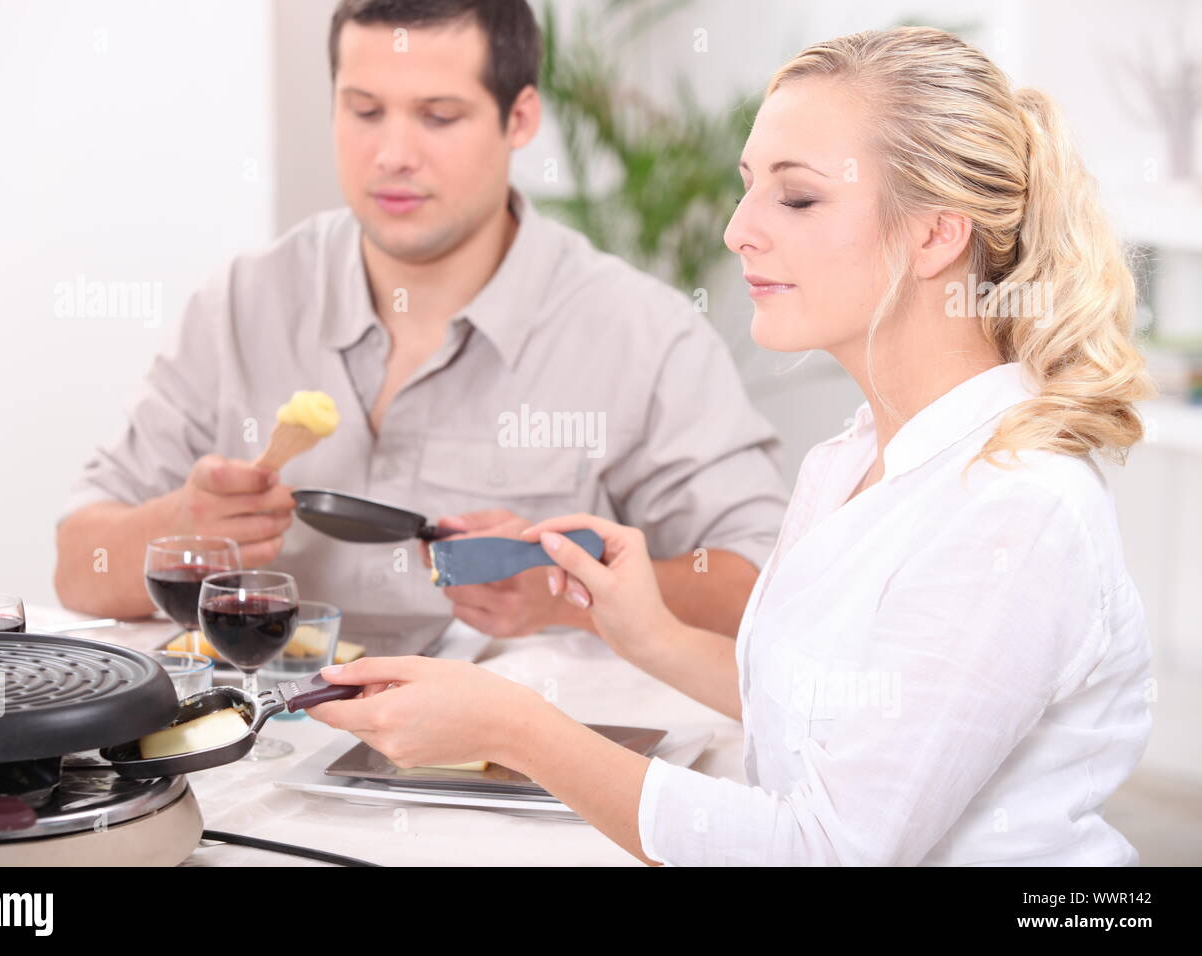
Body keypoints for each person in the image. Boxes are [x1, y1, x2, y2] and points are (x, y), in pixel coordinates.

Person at [307, 26, 1157, 865]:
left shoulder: (1014, 514)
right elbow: (834, 719)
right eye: (748, 188)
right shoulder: (856, 457)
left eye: (796, 198)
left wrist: (513, 729)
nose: (738, 230)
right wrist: (643, 634)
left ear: (936, 233)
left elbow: (825, 849)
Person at [53, 0, 789, 639]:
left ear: (520, 117)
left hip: (510, 782)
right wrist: (179, 529)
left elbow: (764, 588)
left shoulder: (642, 335)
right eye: (364, 111)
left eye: (438, 116)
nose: (393, 155)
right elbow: (77, 568)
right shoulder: (246, 302)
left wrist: (572, 593)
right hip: (267, 762)